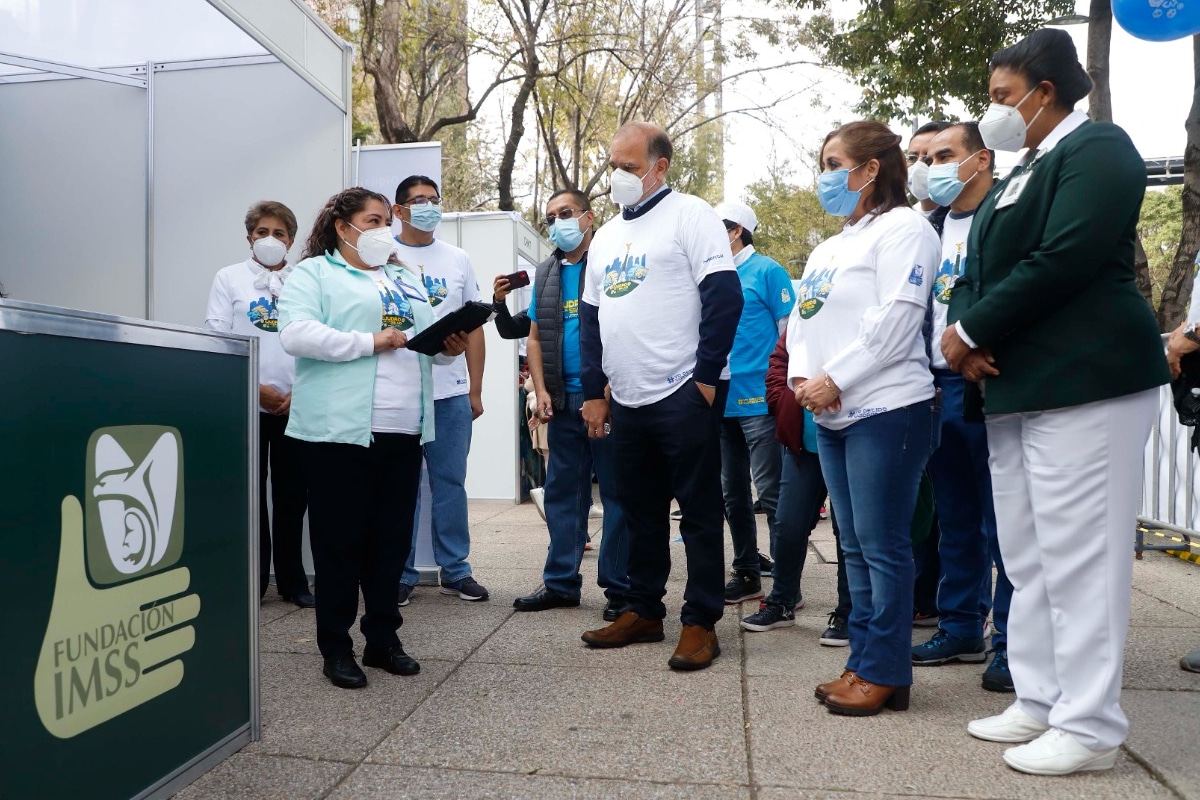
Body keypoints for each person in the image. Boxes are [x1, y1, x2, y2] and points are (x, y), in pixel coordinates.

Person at [945, 29, 1169, 775]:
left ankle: (1092, 725)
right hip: (1017, 387)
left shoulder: (1098, 148)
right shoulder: (1023, 169)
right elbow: (982, 267)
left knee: (1081, 560)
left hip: (1086, 381)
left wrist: (972, 327)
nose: (994, 114)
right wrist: (965, 335)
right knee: (1031, 557)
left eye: (1004, 98)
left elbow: (1065, 255)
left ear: (1046, 93)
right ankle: (1039, 699)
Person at [277, 187, 468, 689]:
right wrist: (369, 342)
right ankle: (336, 648)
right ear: (344, 228)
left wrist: (448, 346)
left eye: (387, 220)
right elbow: (295, 333)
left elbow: (427, 348)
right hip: (338, 433)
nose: (385, 228)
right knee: (340, 543)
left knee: (390, 544)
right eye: (374, 219)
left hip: (404, 430)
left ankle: (383, 639)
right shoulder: (316, 272)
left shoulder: (404, 276)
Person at [576, 121, 743, 671]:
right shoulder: (603, 238)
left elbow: (724, 297)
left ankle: (700, 621)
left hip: (681, 392)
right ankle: (643, 609)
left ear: (659, 166)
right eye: (613, 166)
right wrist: (595, 391)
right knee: (639, 508)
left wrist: (706, 377)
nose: (617, 176)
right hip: (625, 397)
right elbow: (593, 323)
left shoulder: (691, 214)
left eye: (629, 166)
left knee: (697, 512)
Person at [789, 120, 941, 716]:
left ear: (870, 169)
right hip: (831, 415)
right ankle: (865, 661)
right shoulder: (830, 246)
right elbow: (804, 320)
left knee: (883, 545)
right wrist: (806, 379)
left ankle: (885, 670)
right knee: (851, 545)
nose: (826, 176)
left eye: (834, 163)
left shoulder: (905, 230)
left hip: (888, 408)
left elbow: (898, 318)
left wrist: (837, 378)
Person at [490, 189, 632, 620]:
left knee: (617, 494)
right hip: (561, 400)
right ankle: (560, 583)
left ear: (588, 217)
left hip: (606, 400)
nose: (557, 223)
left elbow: (626, 327)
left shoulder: (611, 263)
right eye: (551, 217)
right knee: (561, 495)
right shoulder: (548, 271)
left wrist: (605, 391)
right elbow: (533, 335)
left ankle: (620, 588)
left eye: (565, 214)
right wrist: (542, 389)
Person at [909, 122, 1015, 694]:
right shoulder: (927, 228)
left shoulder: (1006, 213)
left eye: (942, 155)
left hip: (990, 384)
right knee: (954, 520)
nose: (928, 168)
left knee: (1004, 526)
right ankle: (959, 626)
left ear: (980, 159)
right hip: (935, 387)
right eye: (921, 157)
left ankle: (1010, 643)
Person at [205, 201, 313, 608]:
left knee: (292, 496)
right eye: (263, 231)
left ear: (291, 240)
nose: (272, 240)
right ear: (249, 236)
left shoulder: (304, 279)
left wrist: (298, 391)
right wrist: (255, 387)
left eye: (280, 233)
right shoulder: (228, 278)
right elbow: (218, 337)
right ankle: (253, 580)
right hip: (247, 402)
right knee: (250, 497)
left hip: (295, 404)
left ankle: (293, 581)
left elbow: (316, 335)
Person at [391, 176, 490, 605]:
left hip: (450, 393)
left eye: (434, 200)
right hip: (400, 391)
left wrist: (475, 390)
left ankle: (456, 571)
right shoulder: (384, 257)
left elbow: (475, 329)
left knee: (450, 483)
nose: (428, 207)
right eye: (418, 201)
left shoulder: (458, 259)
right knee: (402, 486)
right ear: (399, 211)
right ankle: (400, 573)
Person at [713, 201, 795, 604]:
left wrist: (783, 386)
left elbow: (788, 330)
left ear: (735, 230)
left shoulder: (766, 271)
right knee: (732, 493)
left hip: (759, 396)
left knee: (771, 491)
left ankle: (786, 585)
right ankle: (747, 571)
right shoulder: (713, 274)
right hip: (720, 394)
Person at [739, 325, 826, 633]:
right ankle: (782, 600)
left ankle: (848, 610)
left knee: (850, 534)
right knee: (788, 524)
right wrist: (781, 401)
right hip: (801, 442)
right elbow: (779, 359)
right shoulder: (808, 307)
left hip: (851, 436)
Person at [906, 121, 952, 218]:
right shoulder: (904, 219)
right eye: (912, 158)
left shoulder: (971, 219)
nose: (919, 165)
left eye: (929, 159)